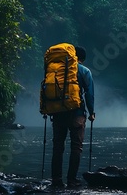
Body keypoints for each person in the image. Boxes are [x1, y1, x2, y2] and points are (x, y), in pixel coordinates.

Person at [51, 45, 95, 188]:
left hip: (57, 113)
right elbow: (89, 94)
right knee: (76, 147)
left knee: (58, 147)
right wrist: (92, 112)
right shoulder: (84, 71)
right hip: (76, 114)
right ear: (83, 58)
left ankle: (56, 180)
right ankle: (72, 180)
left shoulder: (57, 69)